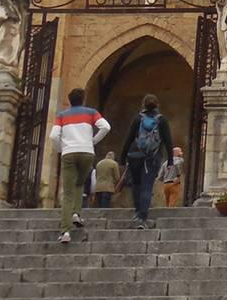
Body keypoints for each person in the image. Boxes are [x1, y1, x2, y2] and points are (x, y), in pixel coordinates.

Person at [47, 87, 110, 244]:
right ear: (83, 99)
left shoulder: (62, 115)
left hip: (69, 153)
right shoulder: (90, 112)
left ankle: (65, 231)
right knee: (80, 183)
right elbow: (106, 127)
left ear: (70, 101)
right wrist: (93, 141)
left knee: (68, 192)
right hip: (87, 152)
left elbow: (54, 136)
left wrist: (60, 149)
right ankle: (76, 213)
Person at [118, 93, 173, 229]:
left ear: (143, 105)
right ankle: (143, 216)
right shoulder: (162, 121)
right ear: (157, 105)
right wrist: (170, 160)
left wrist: (122, 158)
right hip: (152, 158)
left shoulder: (137, 119)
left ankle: (137, 212)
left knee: (136, 185)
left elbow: (129, 138)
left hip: (135, 156)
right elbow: (168, 141)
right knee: (147, 186)